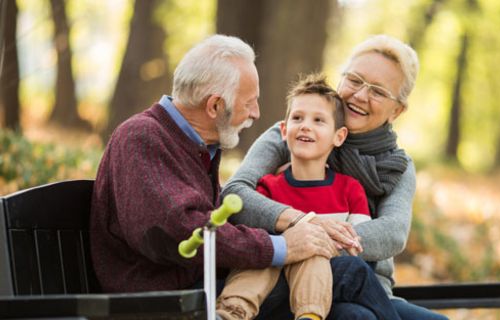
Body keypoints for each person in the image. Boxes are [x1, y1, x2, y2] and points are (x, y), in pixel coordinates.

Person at [89, 34, 404, 320]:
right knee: (349, 271)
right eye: (249, 102)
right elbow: (181, 231)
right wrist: (280, 246)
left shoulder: (193, 145)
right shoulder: (143, 137)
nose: (255, 113)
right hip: (172, 301)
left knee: (352, 316)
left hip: (204, 285)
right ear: (215, 105)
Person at [222, 35, 449, 320]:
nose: (360, 95)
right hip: (283, 278)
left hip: (368, 285)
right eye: (354, 80)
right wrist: (300, 224)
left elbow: (392, 233)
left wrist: (317, 239)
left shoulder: (397, 166)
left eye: (378, 91)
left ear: (397, 110)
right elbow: (236, 193)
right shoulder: (291, 134)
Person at [217, 74, 388, 320]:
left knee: (314, 249)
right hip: (269, 284)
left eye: (319, 120)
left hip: (323, 284)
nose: (305, 125)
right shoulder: (268, 189)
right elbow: (257, 242)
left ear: (339, 136)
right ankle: (231, 313)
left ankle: (309, 316)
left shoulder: (350, 190)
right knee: (271, 249)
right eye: (297, 118)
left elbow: (359, 251)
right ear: (284, 131)